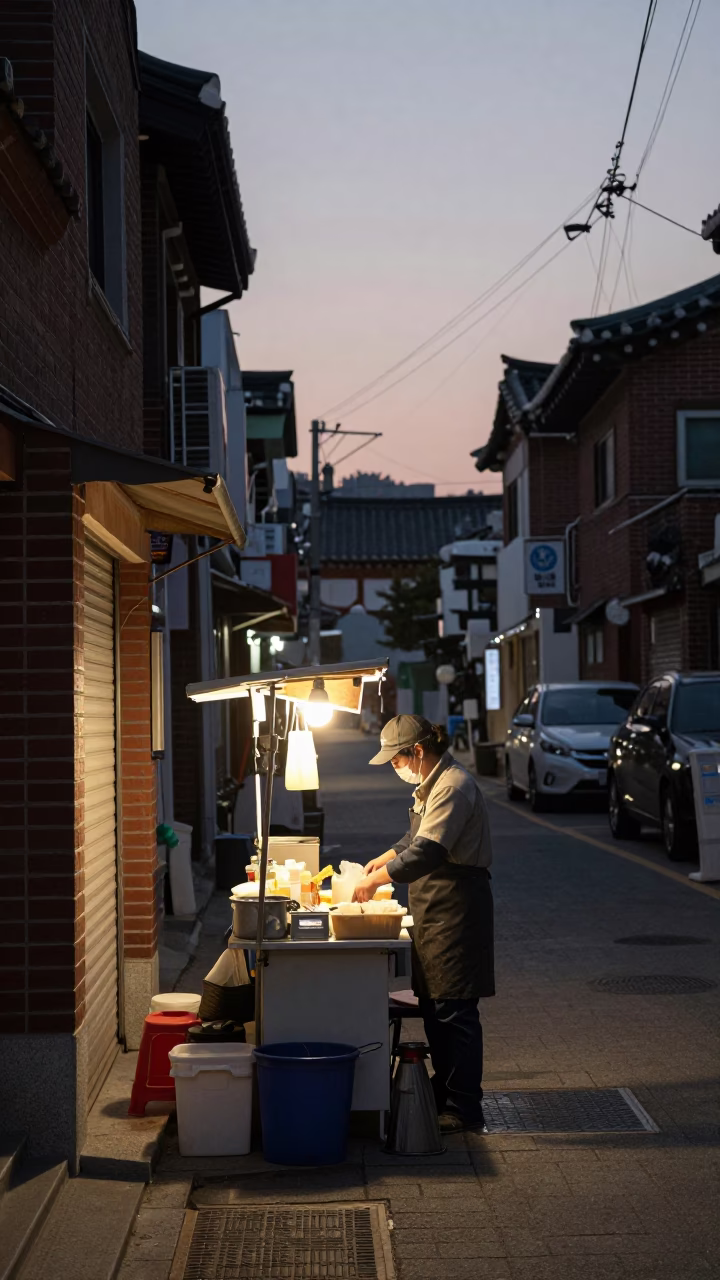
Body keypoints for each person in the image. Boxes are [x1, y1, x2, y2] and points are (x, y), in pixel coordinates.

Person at [353, 713, 494, 1134]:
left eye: (396, 760)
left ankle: (466, 1106)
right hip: (434, 907)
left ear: (417, 752)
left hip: (456, 906)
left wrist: (376, 879)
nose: (395, 768)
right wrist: (386, 854)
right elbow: (413, 840)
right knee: (434, 1004)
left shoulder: (453, 785)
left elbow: (428, 852)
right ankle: (445, 1090)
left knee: (455, 1008)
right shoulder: (430, 784)